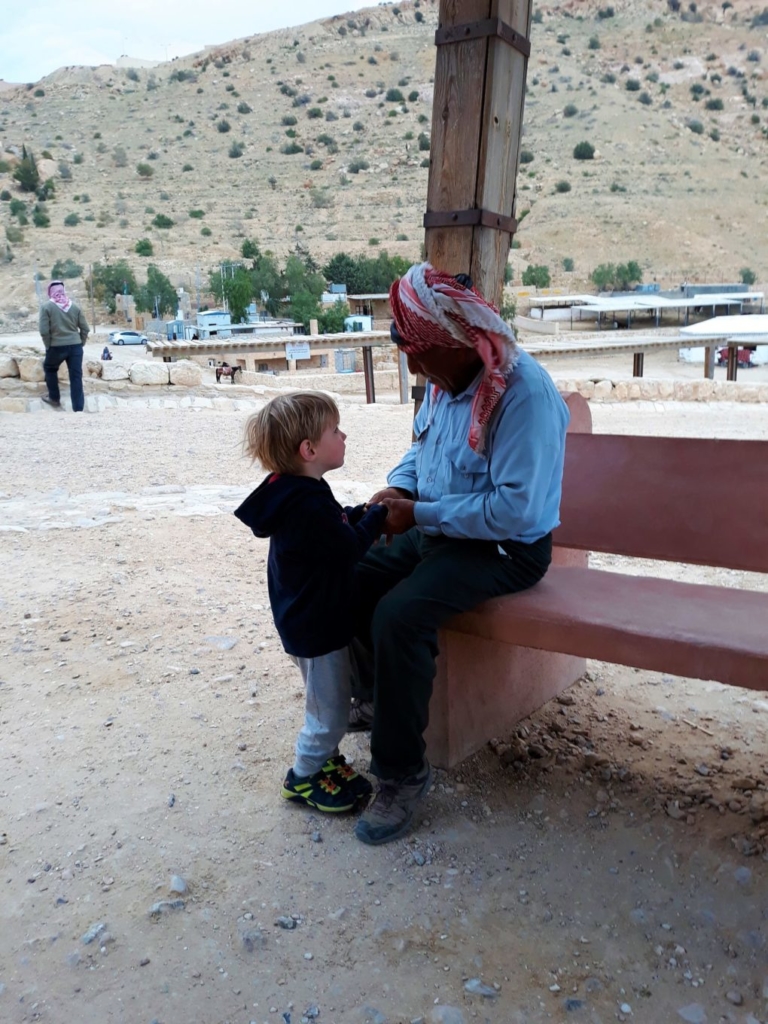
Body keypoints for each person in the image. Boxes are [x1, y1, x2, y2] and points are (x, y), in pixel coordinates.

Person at [352, 262, 571, 845]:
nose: (413, 366)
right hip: (443, 529)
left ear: (457, 343)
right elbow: (420, 451)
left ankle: (401, 774)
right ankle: (377, 700)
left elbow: (516, 513)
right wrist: (399, 489)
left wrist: (418, 514)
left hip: (505, 548)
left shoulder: (523, 396)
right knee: (348, 575)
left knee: (399, 616)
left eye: (419, 354)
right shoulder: (446, 378)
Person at [234, 392, 389, 813]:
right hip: (315, 629)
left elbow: (336, 528)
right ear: (310, 449)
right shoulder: (304, 506)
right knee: (330, 710)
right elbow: (348, 548)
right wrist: (378, 517)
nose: (344, 435)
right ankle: (303, 776)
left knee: (328, 699)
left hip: (315, 618)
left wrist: (358, 512)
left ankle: (326, 761)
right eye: (335, 430)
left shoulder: (301, 489)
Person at [39, 281, 90, 411]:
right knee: (76, 377)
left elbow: (44, 331)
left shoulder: (46, 307)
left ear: (50, 292)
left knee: (50, 368)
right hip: (75, 347)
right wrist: (80, 343)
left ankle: (54, 398)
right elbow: (85, 328)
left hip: (56, 347)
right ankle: (78, 409)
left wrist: (48, 346)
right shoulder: (75, 307)